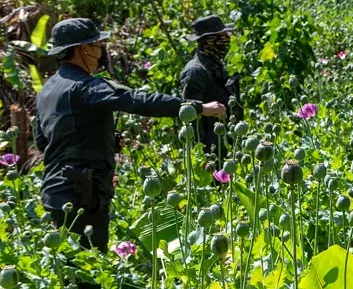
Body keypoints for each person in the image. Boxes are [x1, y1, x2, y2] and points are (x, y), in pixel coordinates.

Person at [33, 18, 225, 251]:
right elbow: (136, 100)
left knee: (67, 267)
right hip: (81, 194)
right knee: (88, 267)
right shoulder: (85, 86)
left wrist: (100, 144)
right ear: (83, 49)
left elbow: (44, 141)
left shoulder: (46, 91)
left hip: (55, 191)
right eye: (98, 46)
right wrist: (197, 107)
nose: (102, 51)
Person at [180, 14, 240, 160]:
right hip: (211, 151)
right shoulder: (195, 72)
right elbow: (190, 117)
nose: (226, 41)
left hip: (225, 142)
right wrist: (200, 157)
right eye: (220, 38)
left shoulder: (215, 63)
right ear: (207, 41)